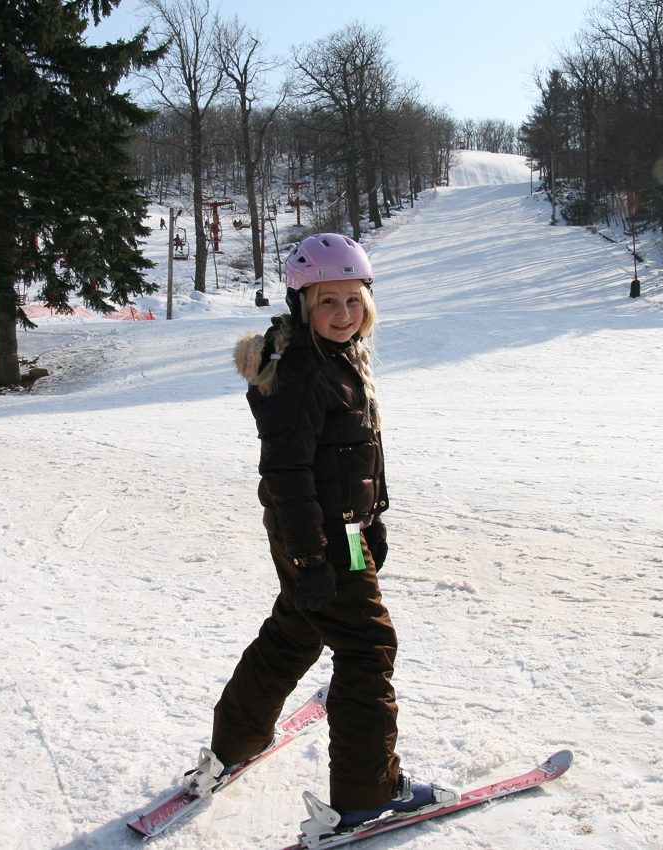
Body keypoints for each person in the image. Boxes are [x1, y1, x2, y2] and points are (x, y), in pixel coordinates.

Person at [187, 233, 456, 839]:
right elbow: (286, 475)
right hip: (317, 537)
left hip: (336, 534)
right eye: (327, 302)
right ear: (304, 304)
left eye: (353, 300)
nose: (342, 314)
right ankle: (369, 793)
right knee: (366, 649)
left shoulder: (335, 360)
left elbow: (353, 456)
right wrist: (312, 557)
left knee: (294, 632)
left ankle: (233, 744)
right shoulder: (302, 372)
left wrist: (372, 518)